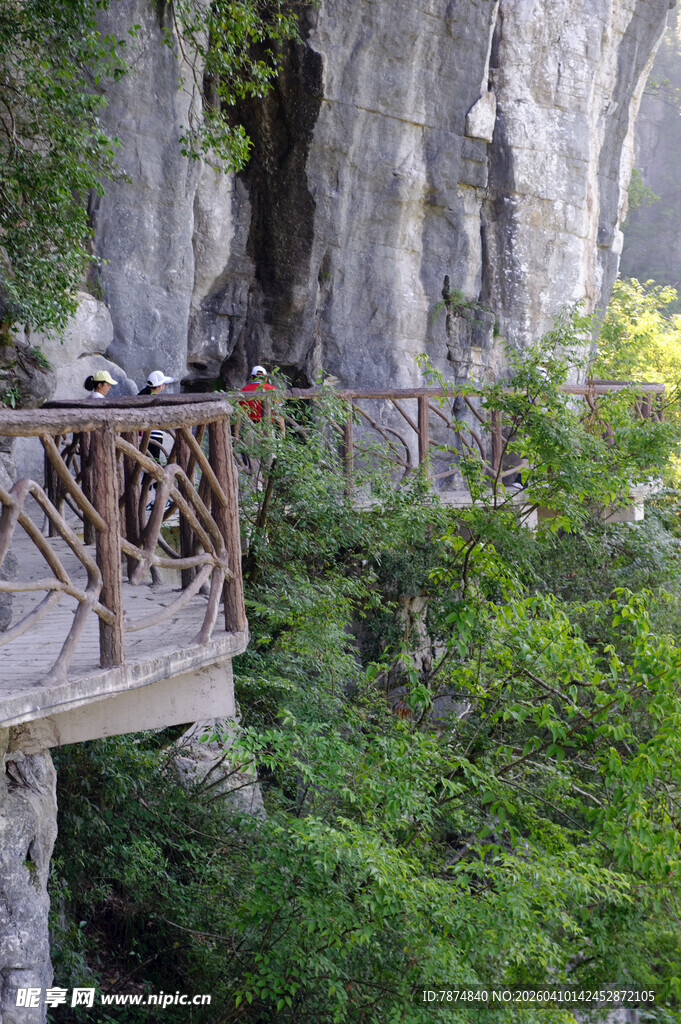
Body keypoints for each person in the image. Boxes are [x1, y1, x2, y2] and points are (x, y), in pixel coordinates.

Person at [236, 365, 285, 435]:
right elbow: (278, 411)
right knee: (269, 445)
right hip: (268, 427)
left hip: (249, 429)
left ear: (252, 377)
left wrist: (236, 433)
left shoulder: (243, 391)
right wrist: (283, 432)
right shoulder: (272, 389)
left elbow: (239, 415)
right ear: (265, 378)